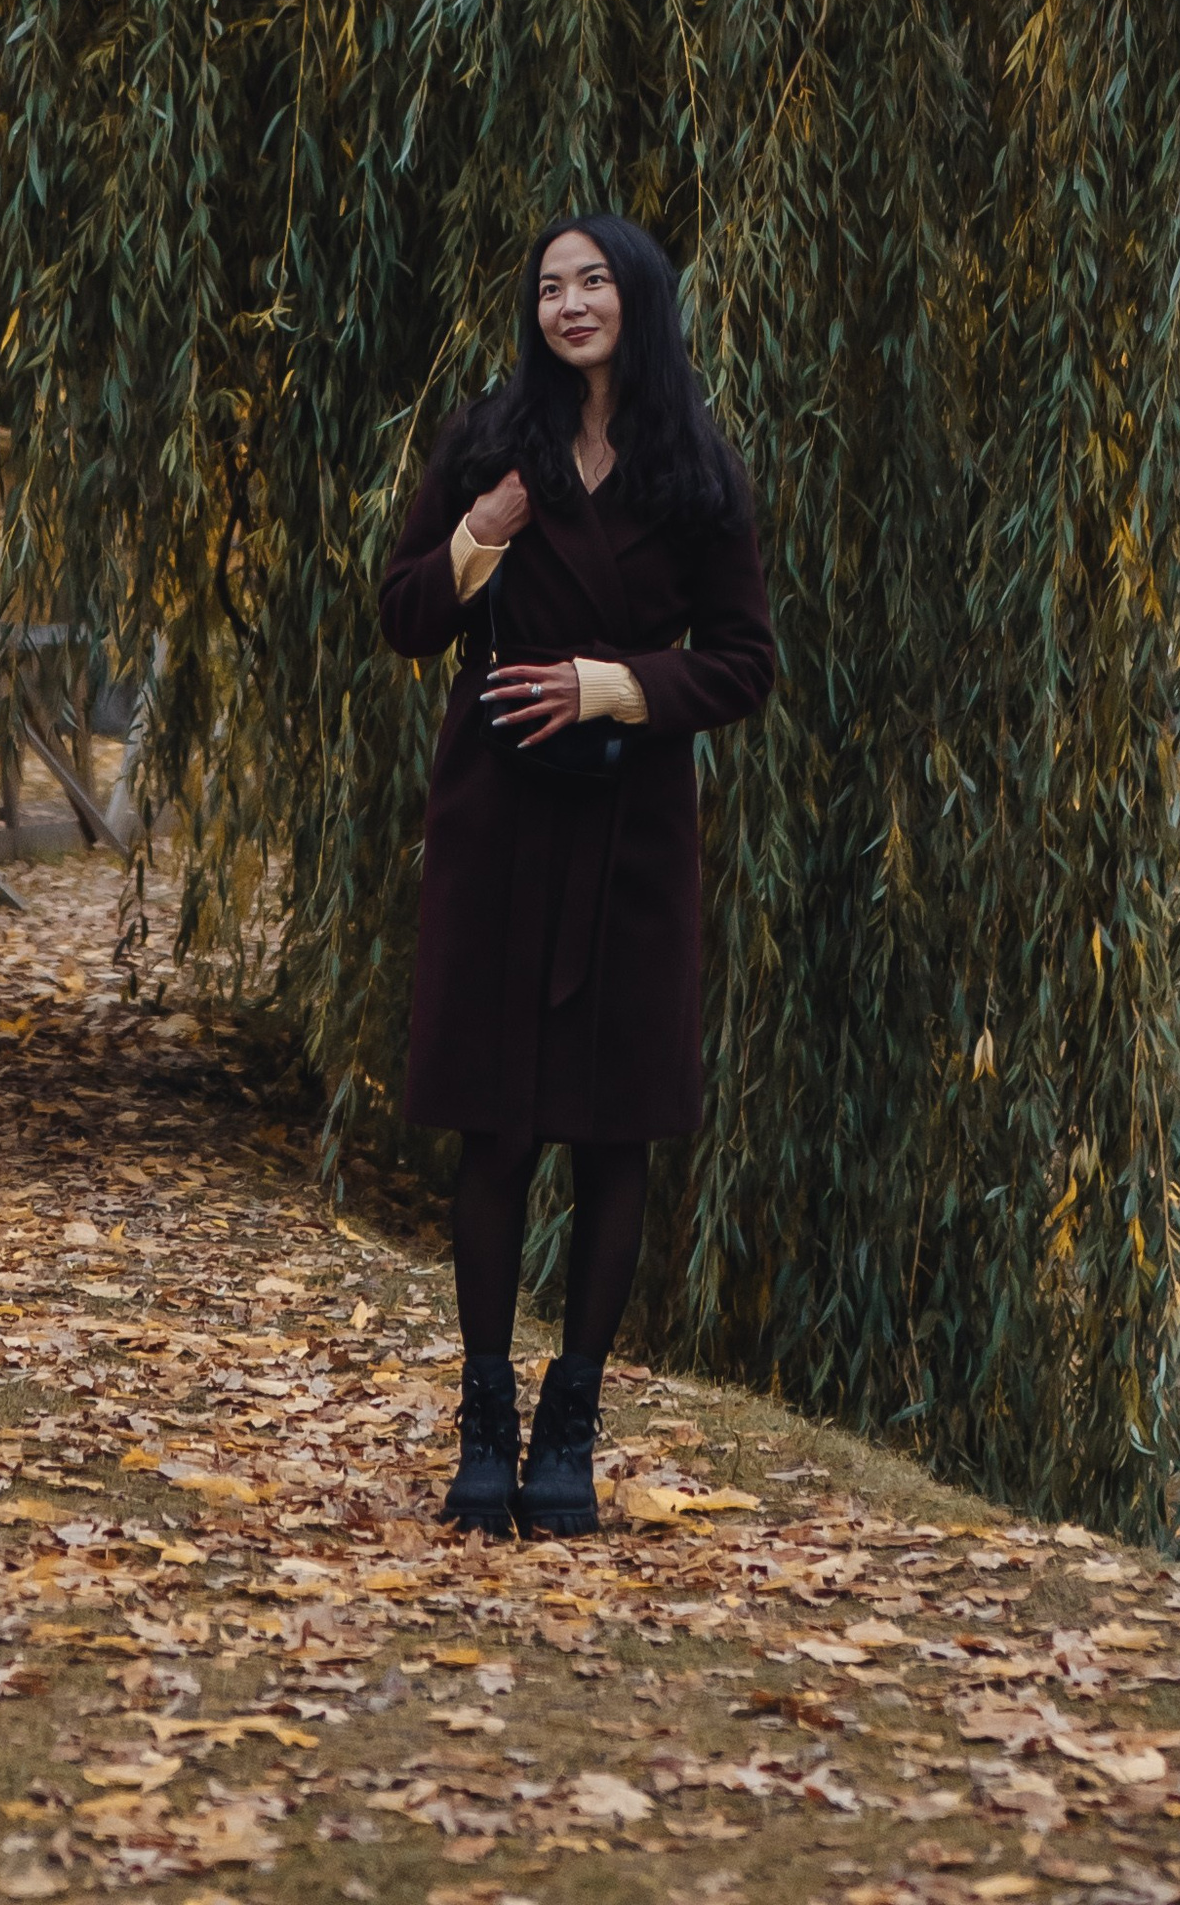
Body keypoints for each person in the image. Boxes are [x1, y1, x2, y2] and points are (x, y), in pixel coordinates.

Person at [377, 214, 774, 1538]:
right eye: (548, 286)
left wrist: (613, 687)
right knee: (495, 1128)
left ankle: (569, 1430)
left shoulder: (695, 469)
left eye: (593, 281)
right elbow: (402, 614)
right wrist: (481, 536)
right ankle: (484, 1425)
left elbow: (744, 661)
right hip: (497, 824)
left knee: (613, 1136)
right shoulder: (491, 446)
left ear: (637, 300)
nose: (569, 303)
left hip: (633, 839)